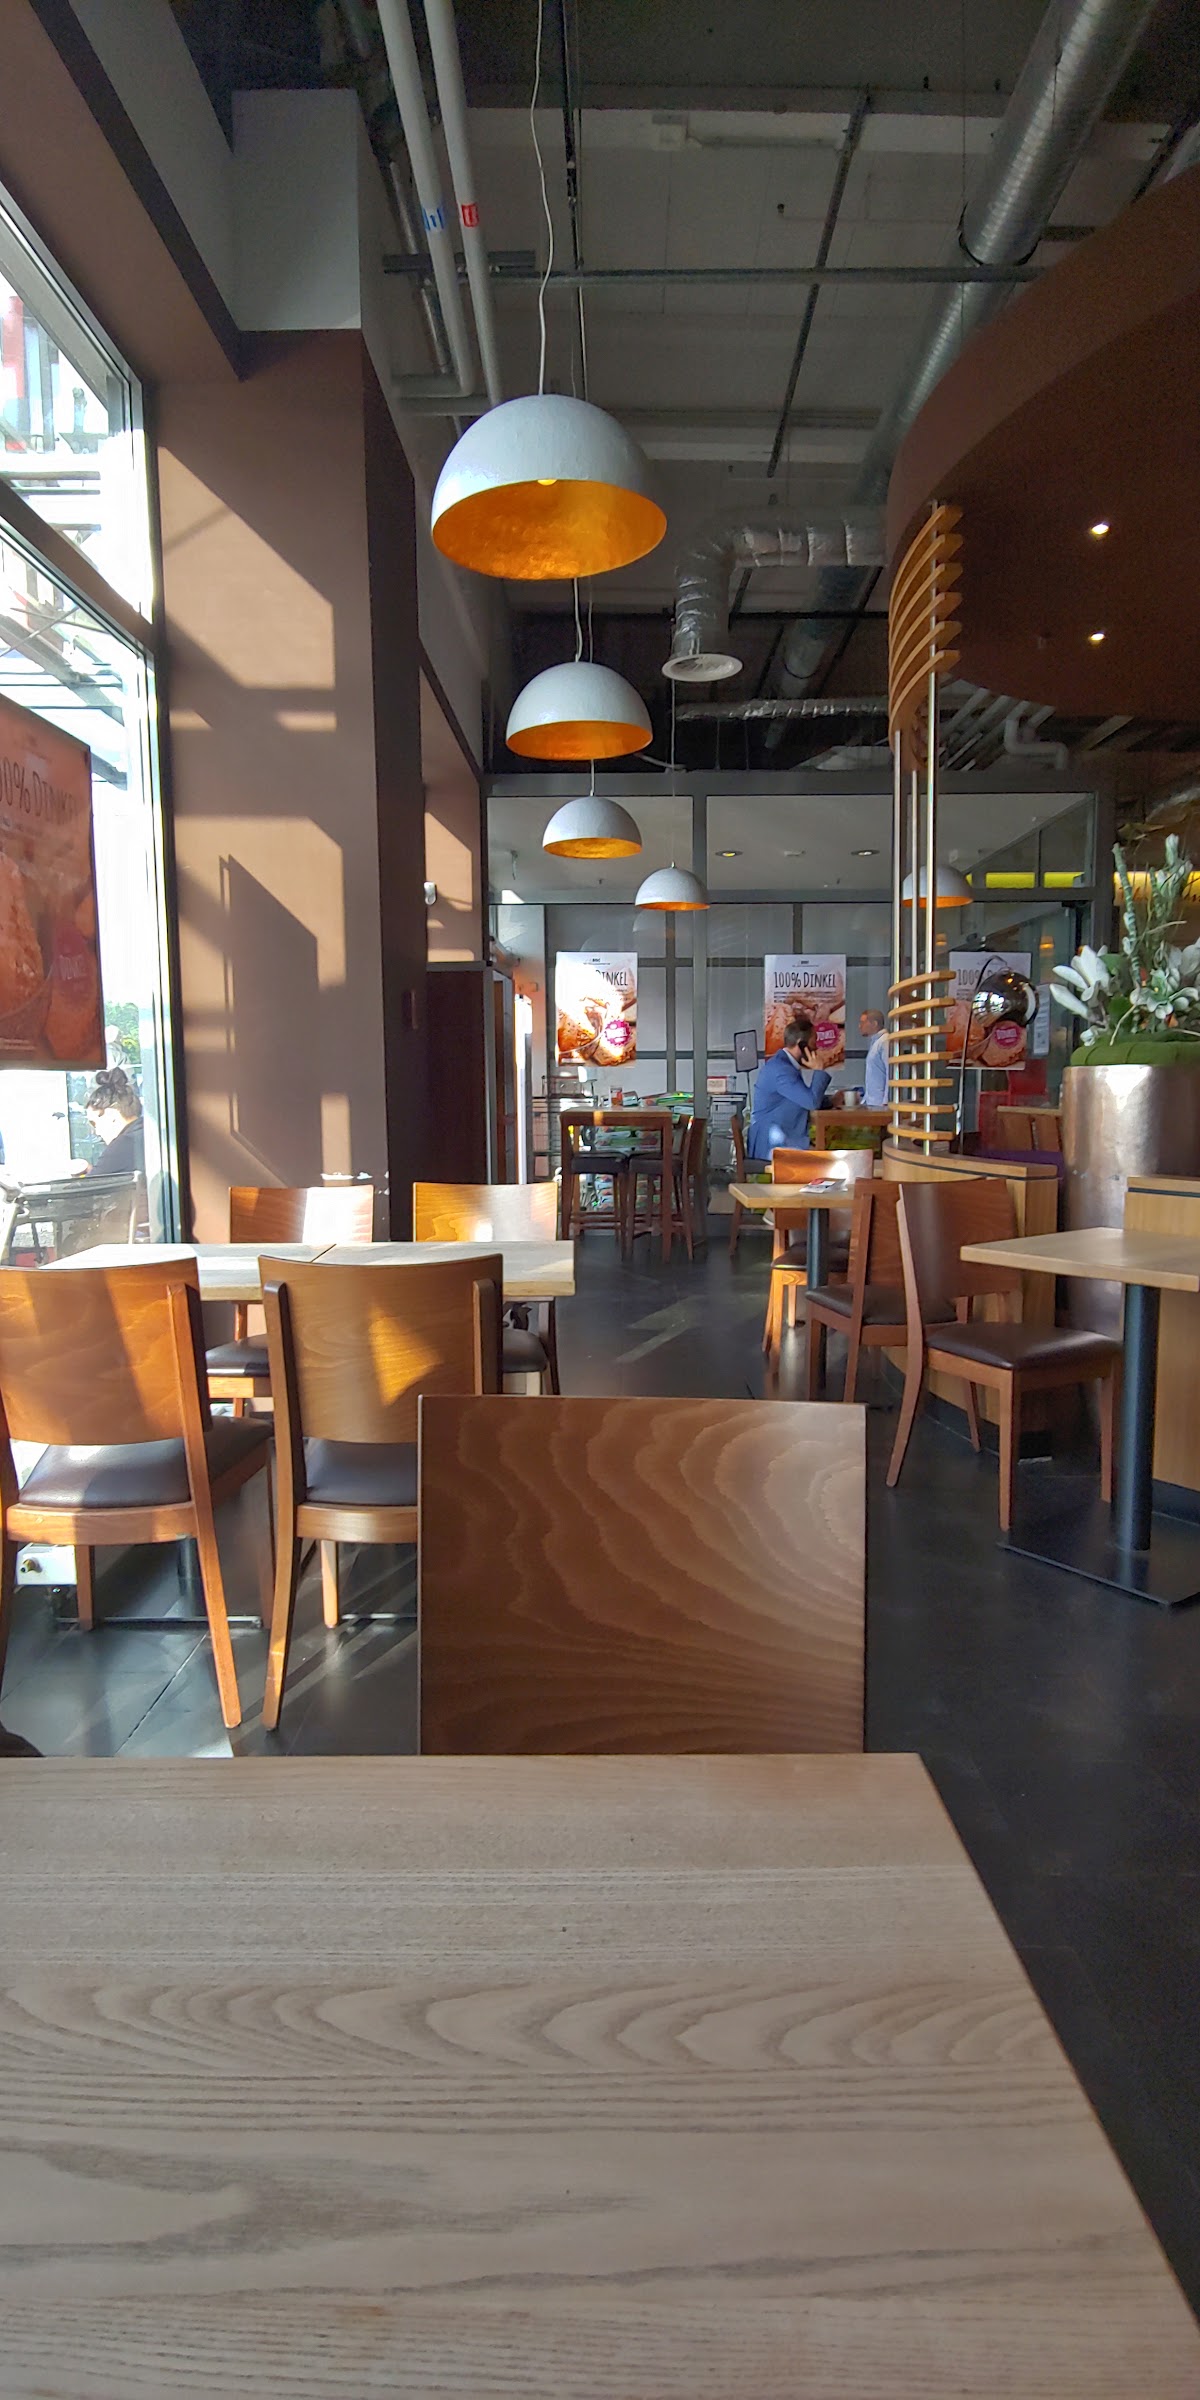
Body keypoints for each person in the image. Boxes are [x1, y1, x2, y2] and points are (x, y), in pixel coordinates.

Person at [747, 1017, 832, 1159]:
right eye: (813, 1042)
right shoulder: (782, 1070)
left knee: (823, 1155)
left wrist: (831, 1101)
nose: (816, 1048)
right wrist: (819, 1070)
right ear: (802, 1045)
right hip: (773, 1143)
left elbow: (798, 1098)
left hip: (782, 1136)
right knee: (824, 1158)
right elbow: (811, 1102)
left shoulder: (783, 1065)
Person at [83, 1066, 145, 1177]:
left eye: (94, 1123)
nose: (97, 1132)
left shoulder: (122, 1146)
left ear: (111, 1115)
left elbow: (88, 1185)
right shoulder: (147, 1133)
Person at [860, 1007, 889, 1108]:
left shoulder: (885, 1041)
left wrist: (886, 1101)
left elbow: (890, 1071)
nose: (860, 1026)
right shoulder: (875, 1043)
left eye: (863, 1022)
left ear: (874, 1024)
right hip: (873, 1102)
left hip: (880, 1104)